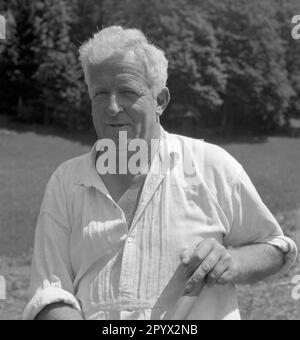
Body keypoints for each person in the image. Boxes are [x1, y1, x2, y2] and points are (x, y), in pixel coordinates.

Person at [23, 26, 297, 320]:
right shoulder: (66, 181)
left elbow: (277, 247)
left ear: (161, 101)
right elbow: (50, 291)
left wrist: (234, 262)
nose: (112, 107)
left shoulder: (211, 165)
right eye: (100, 93)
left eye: (128, 92)